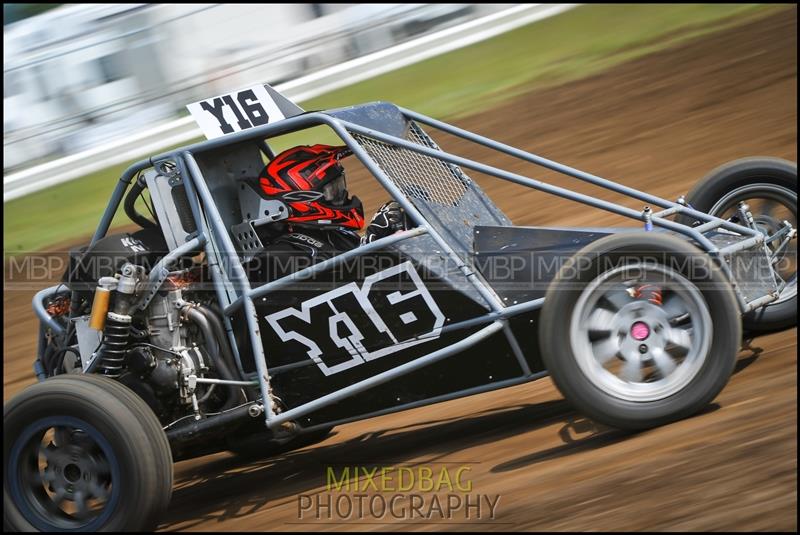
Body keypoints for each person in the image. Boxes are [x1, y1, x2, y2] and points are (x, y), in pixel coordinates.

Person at [244, 144, 410, 283]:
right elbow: (337, 297)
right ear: (302, 200)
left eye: (340, 186)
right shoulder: (279, 255)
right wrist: (373, 245)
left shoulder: (337, 235)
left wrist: (394, 237)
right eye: (333, 190)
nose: (342, 194)